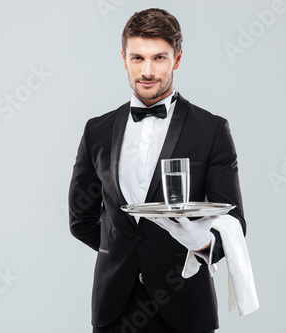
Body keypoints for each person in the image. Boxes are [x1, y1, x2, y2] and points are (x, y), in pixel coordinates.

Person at [68, 8, 246, 333]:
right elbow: (81, 220)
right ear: (124, 58)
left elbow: (233, 224)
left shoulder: (211, 130)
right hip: (113, 308)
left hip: (185, 306)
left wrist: (200, 243)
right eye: (138, 58)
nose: (147, 71)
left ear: (177, 59)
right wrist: (127, 253)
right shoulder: (97, 130)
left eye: (159, 58)